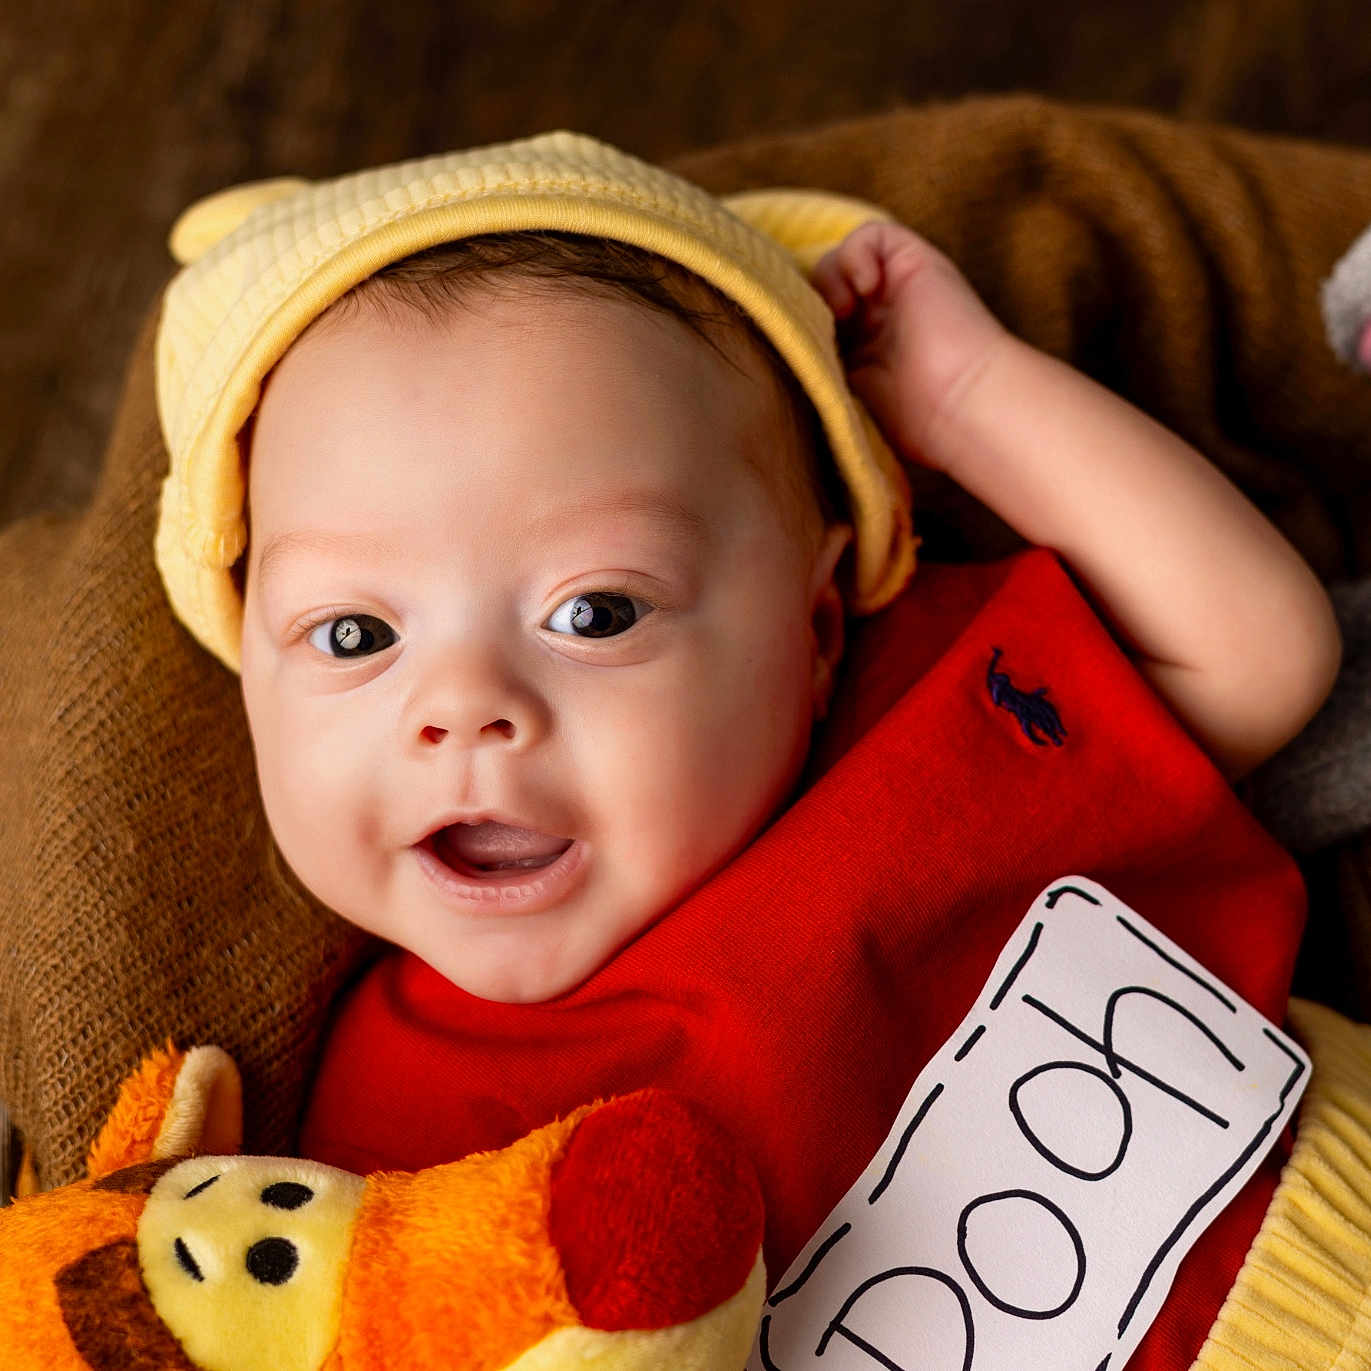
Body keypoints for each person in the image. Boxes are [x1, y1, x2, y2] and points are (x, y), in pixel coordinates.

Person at [153, 133, 1359, 1369]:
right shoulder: (393, 1151)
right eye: (355, 635)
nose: (464, 708)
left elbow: (1256, 654)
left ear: (814, 629)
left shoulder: (930, 725)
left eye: (596, 613)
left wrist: (963, 396)